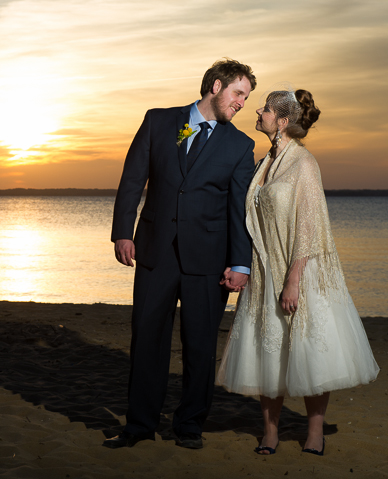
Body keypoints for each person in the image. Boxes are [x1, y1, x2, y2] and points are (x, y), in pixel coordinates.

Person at [216, 88, 380, 456]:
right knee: (266, 351)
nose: (257, 111)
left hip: (299, 270)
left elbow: (310, 225)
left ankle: (315, 433)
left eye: (266, 109)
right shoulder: (265, 163)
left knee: (310, 351)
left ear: (283, 121)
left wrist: (294, 279)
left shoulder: (304, 164)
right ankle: (270, 432)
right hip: (265, 268)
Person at [105, 59, 257, 450]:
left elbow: (238, 209)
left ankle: (189, 426)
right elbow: (133, 179)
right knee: (147, 341)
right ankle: (139, 424)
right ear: (217, 86)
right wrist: (123, 232)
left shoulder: (240, 145)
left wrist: (240, 263)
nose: (242, 102)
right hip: (156, 252)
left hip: (207, 260)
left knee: (201, 346)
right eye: (238, 93)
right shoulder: (162, 123)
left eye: (246, 97)